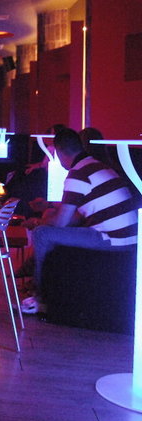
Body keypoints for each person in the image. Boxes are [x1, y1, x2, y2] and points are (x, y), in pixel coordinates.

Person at [20, 128, 138, 315]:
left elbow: (61, 222)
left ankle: (41, 297)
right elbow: (76, 216)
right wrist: (47, 214)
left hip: (111, 239)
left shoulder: (77, 173)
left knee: (42, 233)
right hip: (128, 237)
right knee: (46, 228)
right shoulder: (96, 166)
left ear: (59, 152)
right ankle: (37, 278)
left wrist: (39, 221)